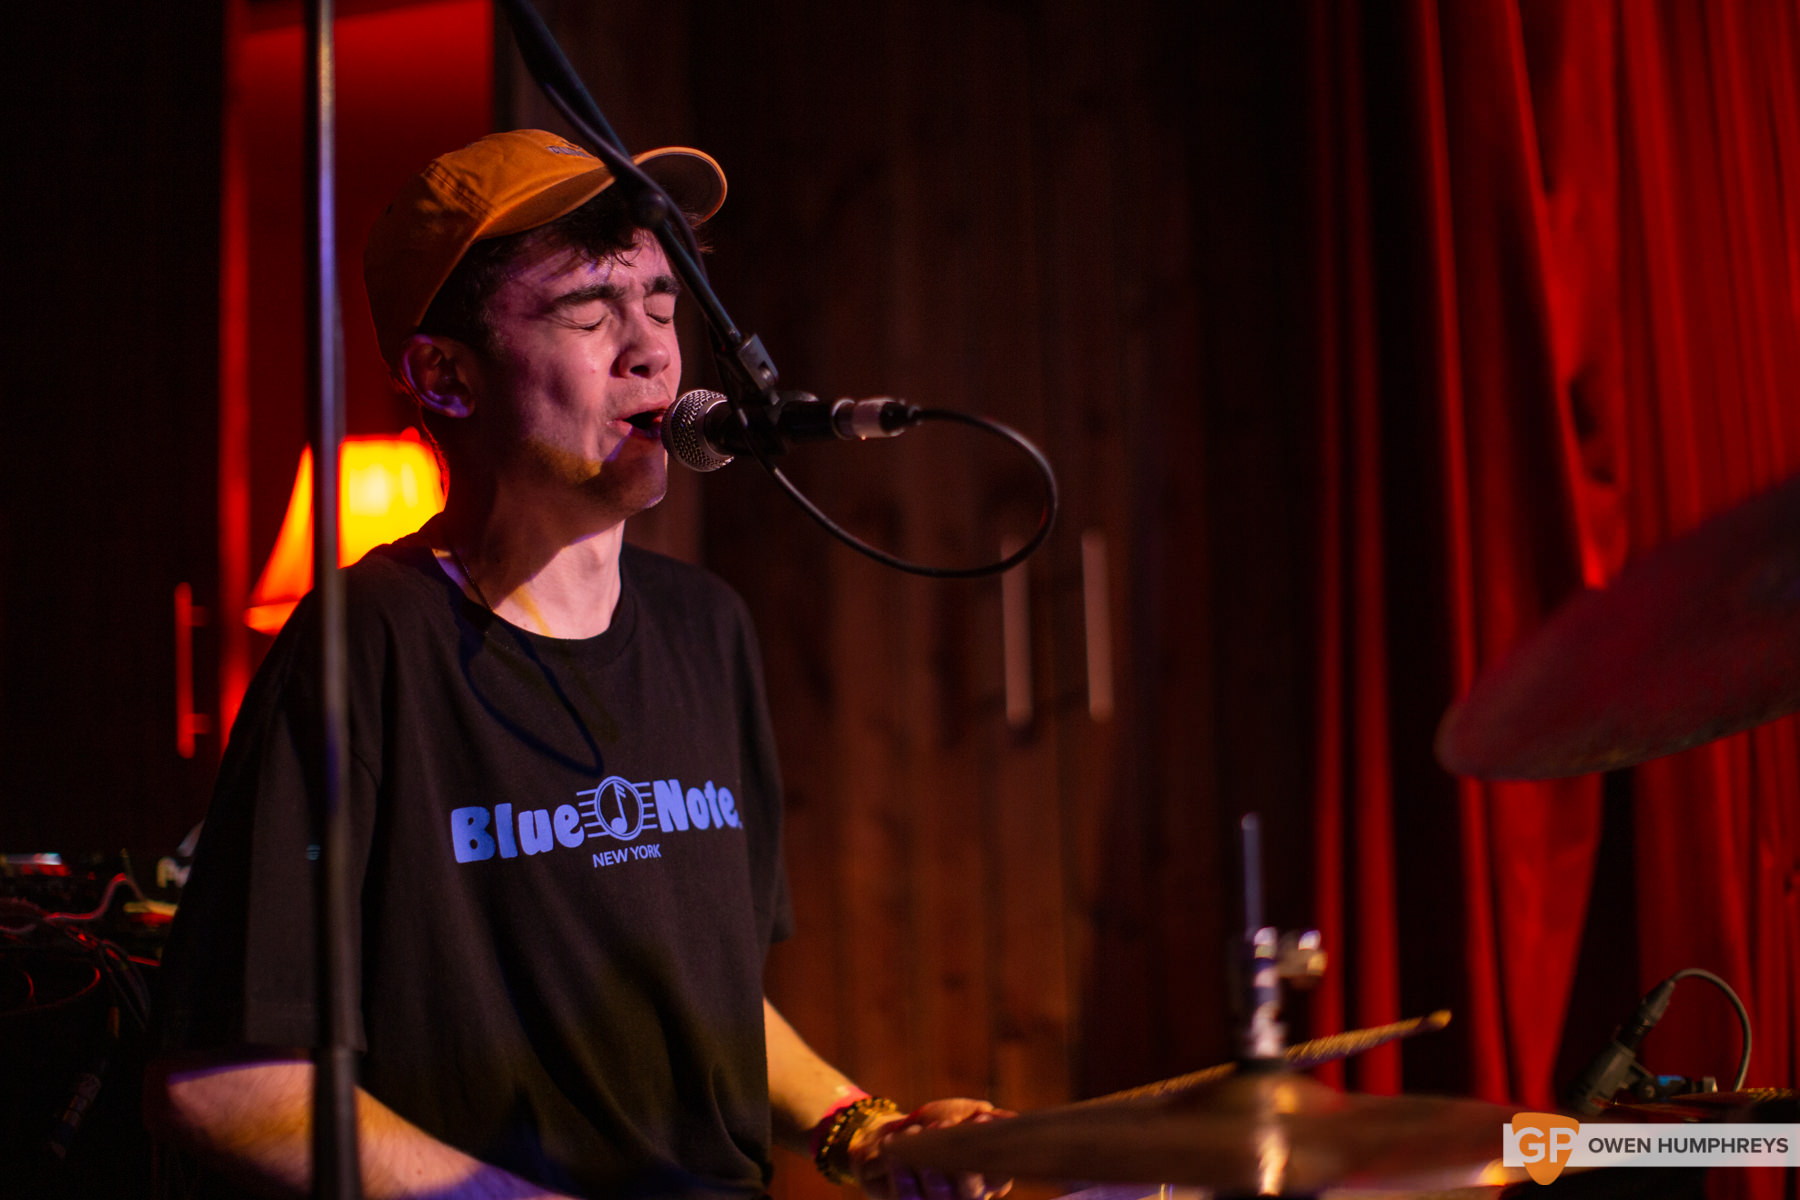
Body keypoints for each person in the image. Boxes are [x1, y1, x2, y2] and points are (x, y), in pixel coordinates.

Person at [145, 129, 1009, 1200]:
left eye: (661, 304)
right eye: (590, 312)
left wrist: (862, 1130)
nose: (650, 352)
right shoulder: (363, 646)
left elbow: (710, 1000)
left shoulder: (707, 627)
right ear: (444, 375)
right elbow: (229, 1082)